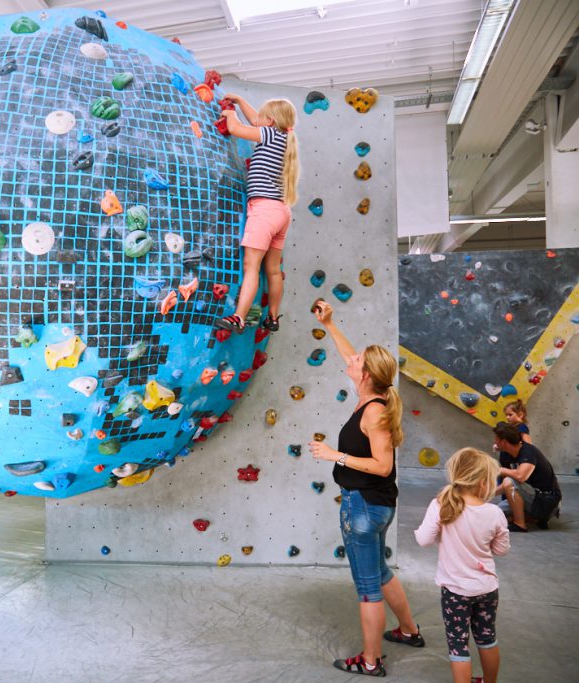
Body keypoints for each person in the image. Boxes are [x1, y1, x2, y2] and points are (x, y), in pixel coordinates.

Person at [308, 299, 423, 677]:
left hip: (363, 507)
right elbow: (350, 352)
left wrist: (333, 455)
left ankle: (370, 662)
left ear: (366, 375)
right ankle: (408, 630)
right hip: (378, 506)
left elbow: (382, 465)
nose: (352, 360)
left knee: (367, 587)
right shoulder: (377, 396)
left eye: (358, 362)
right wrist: (330, 324)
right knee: (381, 570)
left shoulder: (373, 411)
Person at [415, 448, 509, 683]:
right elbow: (501, 550)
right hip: (487, 589)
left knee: (458, 645)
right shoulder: (494, 512)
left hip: (455, 591)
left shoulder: (441, 505)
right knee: (487, 639)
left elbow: (423, 540)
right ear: (482, 482)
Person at [214, 94, 299, 334]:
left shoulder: (269, 135)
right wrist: (240, 102)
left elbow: (235, 128)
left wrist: (230, 112)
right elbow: (255, 121)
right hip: (281, 212)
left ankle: (239, 317)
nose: (257, 120)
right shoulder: (283, 136)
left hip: (264, 211)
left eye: (263, 118)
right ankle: (272, 317)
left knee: (252, 266)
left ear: (270, 121)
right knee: (272, 270)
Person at [492, 422, 561, 531]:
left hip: (547, 501)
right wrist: (489, 493)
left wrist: (501, 470)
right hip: (528, 496)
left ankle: (520, 524)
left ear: (504, 442)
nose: (494, 442)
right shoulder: (505, 455)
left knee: (509, 481)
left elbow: (520, 476)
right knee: (495, 513)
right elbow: (508, 486)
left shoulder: (528, 451)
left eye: (496, 439)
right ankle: (532, 519)